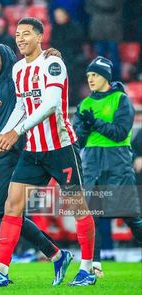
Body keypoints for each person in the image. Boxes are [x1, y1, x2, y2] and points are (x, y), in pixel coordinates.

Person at [0, 17, 96, 287]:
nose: (20, 38)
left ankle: (88, 269)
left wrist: (15, 133)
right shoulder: (19, 69)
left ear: (39, 37)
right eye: (17, 34)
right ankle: (0, 269)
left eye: (26, 34)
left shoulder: (53, 63)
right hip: (33, 149)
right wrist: (4, 134)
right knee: (12, 205)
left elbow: (50, 104)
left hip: (60, 147)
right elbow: (21, 107)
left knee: (78, 209)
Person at [73, 56, 142, 277]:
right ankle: (95, 265)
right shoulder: (85, 104)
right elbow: (78, 140)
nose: (90, 79)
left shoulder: (121, 99)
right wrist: (84, 128)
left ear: (105, 76)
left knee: (130, 216)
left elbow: (120, 132)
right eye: (88, 76)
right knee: (91, 215)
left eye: (94, 75)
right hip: (92, 161)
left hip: (117, 161)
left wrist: (94, 123)